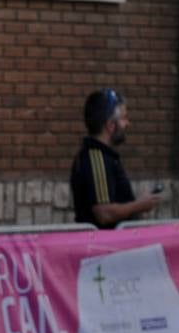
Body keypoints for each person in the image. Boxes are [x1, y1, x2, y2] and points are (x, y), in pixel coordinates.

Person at [70, 88, 163, 229]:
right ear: (111, 125)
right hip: (105, 247)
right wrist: (139, 206)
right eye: (124, 118)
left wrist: (136, 205)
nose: (127, 124)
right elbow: (104, 213)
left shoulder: (105, 156)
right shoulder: (96, 158)